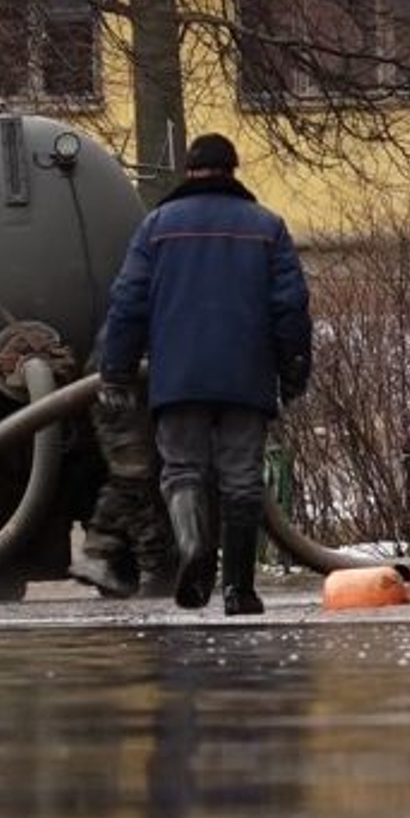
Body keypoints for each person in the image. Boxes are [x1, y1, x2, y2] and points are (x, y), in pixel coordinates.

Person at [99, 133, 312, 615]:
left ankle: (195, 550)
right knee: (241, 480)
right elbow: (291, 308)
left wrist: (116, 370)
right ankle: (239, 590)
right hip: (246, 376)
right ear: (233, 170)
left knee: (182, 470)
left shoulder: (156, 227)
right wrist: (293, 368)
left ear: (188, 172)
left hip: (179, 378)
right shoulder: (267, 227)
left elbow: (128, 302)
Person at [69, 348, 175, 599]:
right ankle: (145, 566)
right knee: (134, 475)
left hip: (127, 374)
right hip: (121, 379)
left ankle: (111, 554)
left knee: (143, 475)